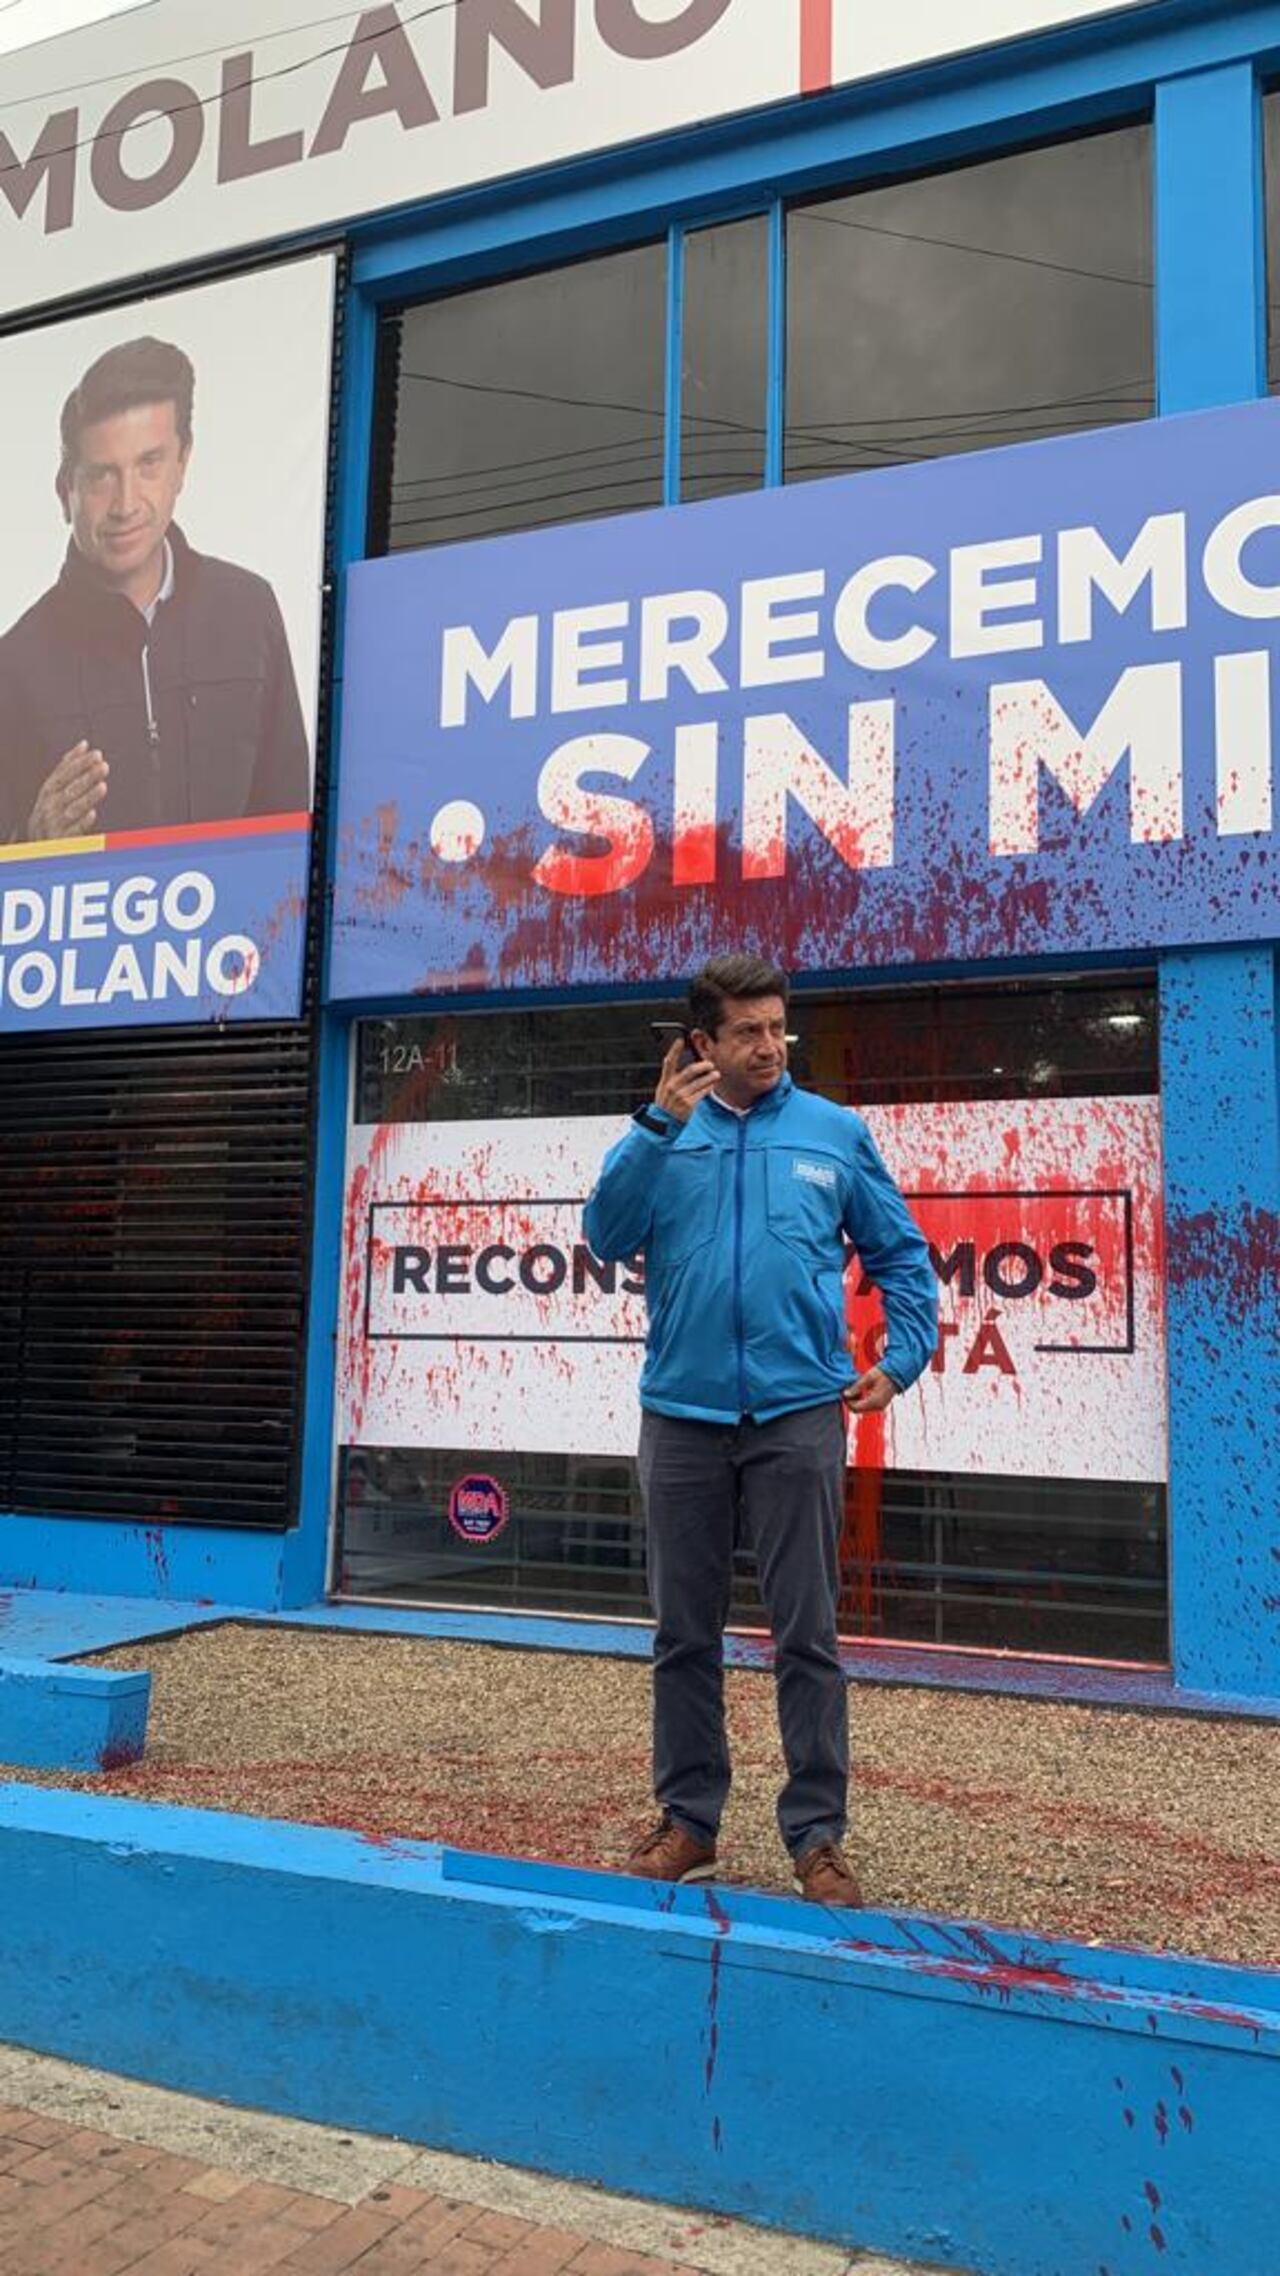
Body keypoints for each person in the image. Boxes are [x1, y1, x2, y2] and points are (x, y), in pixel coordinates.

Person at [583, 955, 938, 1906]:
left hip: (798, 1418)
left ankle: (817, 1836)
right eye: (747, 1031)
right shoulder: (663, 1137)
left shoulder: (834, 1132)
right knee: (683, 1635)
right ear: (701, 1043)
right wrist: (656, 1127)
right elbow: (604, 1238)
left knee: (807, 1637)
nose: (769, 1046)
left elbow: (902, 1256)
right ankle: (690, 1821)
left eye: (778, 1027)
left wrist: (900, 1360)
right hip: (683, 1420)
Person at [0, 335, 310, 845]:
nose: (126, 503)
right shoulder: (16, 665)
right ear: (65, 492)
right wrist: (28, 845)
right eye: (102, 475)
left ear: (182, 464)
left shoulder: (248, 612)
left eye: (149, 464)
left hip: (235, 926)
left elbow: (292, 832)